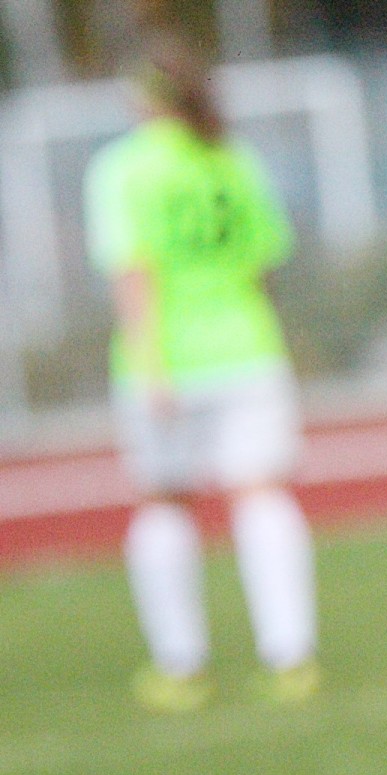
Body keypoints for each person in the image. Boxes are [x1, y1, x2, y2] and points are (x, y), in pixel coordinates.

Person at [83, 31, 319, 712]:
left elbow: (133, 272)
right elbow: (265, 260)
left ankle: (181, 666)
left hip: (169, 356)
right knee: (263, 496)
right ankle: (291, 656)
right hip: (249, 346)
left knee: (164, 504)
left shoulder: (125, 166)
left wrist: (148, 363)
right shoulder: (231, 158)